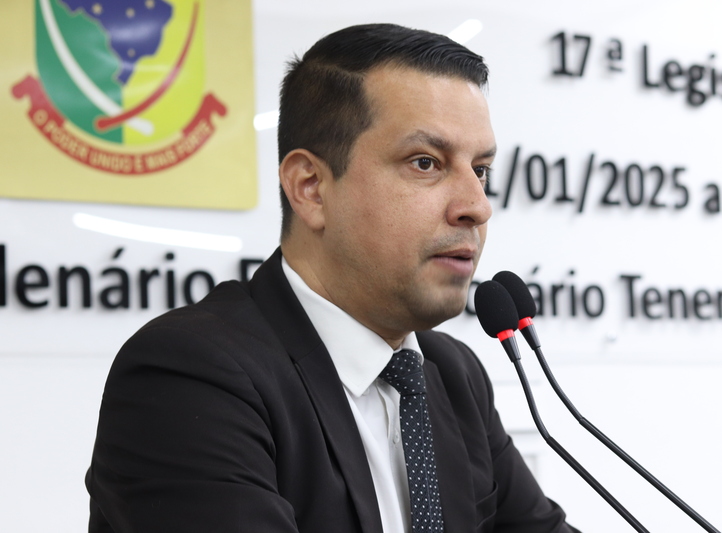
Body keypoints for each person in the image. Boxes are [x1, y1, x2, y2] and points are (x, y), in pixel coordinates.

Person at [85, 23, 580, 533]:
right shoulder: (190, 375)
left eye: (480, 170)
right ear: (311, 187)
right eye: (426, 163)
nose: (477, 206)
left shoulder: (452, 374)